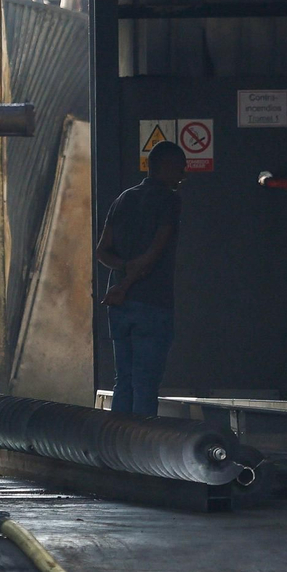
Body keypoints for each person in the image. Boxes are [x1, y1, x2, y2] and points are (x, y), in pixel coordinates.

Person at [96, 140, 186, 416]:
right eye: (181, 167)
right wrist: (127, 282)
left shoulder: (124, 198)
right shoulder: (169, 200)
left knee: (123, 381)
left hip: (119, 308)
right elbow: (154, 254)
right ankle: (141, 454)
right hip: (152, 303)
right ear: (167, 167)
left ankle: (115, 446)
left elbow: (102, 251)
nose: (184, 173)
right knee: (145, 384)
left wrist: (122, 271)